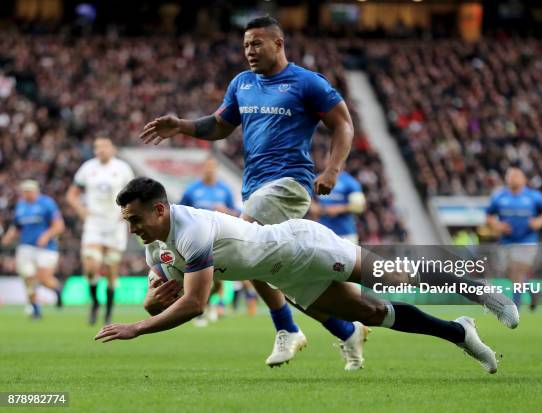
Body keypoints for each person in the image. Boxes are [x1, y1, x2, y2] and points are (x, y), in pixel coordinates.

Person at [95, 177, 516, 375]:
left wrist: (139, 327)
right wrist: (150, 304)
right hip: (285, 276)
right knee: (371, 313)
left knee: (391, 277)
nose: (132, 228)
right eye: (128, 221)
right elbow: (157, 294)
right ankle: (460, 334)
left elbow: (195, 303)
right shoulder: (154, 243)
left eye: (136, 219)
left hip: (300, 245)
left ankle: (479, 290)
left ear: (160, 210)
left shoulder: (192, 230)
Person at [139, 16, 362, 369]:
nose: (249, 51)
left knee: (246, 245)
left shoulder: (307, 83)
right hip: (254, 185)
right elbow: (219, 125)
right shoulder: (242, 83)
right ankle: (345, 327)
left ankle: (287, 328)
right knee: (276, 268)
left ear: (278, 43)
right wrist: (181, 125)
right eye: (245, 45)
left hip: (290, 183)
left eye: (257, 43)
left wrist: (332, 169)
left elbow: (343, 124)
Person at [66, 137, 135, 325]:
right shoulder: (88, 168)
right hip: (94, 223)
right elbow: (71, 194)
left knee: (112, 270)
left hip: (115, 223)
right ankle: (96, 302)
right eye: (96, 147)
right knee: (90, 268)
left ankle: (108, 313)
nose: (100, 150)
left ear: (112, 148)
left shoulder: (122, 168)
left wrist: (126, 213)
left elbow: (134, 195)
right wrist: (81, 210)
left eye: (104, 146)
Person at [180, 156, 242, 325]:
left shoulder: (225, 190)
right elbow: (180, 212)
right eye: (207, 166)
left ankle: (208, 304)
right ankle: (199, 310)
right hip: (196, 240)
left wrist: (225, 210)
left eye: (212, 167)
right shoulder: (192, 190)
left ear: (216, 169)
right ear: (203, 168)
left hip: (219, 239)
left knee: (218, 278)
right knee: (201, 276)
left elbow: (236, 213)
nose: (209, 170)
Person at [486, 166, 542, 310]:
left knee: (518, 271)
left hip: (527, 241)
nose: (513, 178)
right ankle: (532, 292)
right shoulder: (500, 196)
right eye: (510, 175)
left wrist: (539, 222)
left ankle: (514, 307)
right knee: (510, 273)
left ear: (524, 179)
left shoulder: (533, 196)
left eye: (516, 175)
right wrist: (498, 226)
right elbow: (489, 216)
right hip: (506, 242)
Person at [1, 180, 64, 318]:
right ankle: (35, 309)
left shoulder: (47, 203)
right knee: (28, 277)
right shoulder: (21, 205)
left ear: (36, 191)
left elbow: (59, 225)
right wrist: (8, 237)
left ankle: (57, 290)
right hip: (26, 246)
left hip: (46, 248)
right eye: (24, 191)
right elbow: (17, 226)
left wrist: (46, 236)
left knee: (43, 278)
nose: (27, 194)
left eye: (29, 191)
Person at [310, 170, 366, 244]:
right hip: (323, 233)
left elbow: (359, 206)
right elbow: (309, 197)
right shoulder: (317, 178)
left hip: (345, 233)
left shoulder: (350, 181)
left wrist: (338, 209)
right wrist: (312, 206)